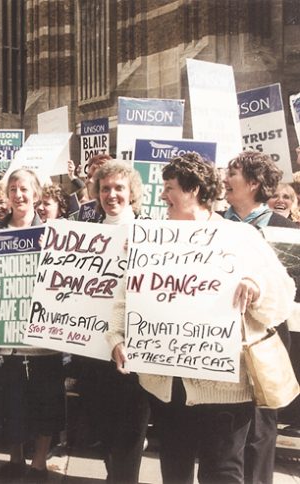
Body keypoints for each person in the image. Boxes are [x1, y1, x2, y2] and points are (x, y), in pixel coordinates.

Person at [107, 152, 294, 483]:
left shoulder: (240, 238)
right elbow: (126, 296)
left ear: (193, 190)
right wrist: (118, 338)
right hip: (167, 387)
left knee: (222, 472)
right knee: (174, 470)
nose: (162, 195)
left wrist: (256, 286)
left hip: (224, 389)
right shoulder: (152, 239)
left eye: (169, 187)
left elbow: (281, 297)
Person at [0, 169, 64, 483]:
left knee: (46, 405)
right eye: (13, 189)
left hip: (44, 342)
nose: (18, 195)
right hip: (6, 339)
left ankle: (39, 463)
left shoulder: (54, 233)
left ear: (37, 193)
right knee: (9, 404)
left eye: (24, 188)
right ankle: (15, 459)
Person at [222, 150, 298, 484]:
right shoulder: (215, 226)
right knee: (226, 433)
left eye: (232, 173)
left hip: (266, 341)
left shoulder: (287, 231)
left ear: (253, 183)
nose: (225, 178)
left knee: (261, 430)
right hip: (222, 341)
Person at [81, 161, 149, 483]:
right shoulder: (86, 233)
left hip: (131, 346)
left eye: (119, 188)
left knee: (131, 425)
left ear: (132, 192)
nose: (111, 195)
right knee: (102, 423)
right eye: (105, 188)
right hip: (93, 345)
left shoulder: (148, 232)